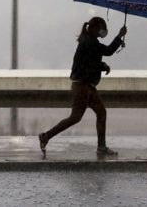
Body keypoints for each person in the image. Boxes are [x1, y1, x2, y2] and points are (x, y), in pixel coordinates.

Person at [38, 16, 127, 157]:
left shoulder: (90, 42)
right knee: (75, 117)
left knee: (100, 112)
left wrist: (102, 65)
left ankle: (101, 147)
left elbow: (93, 61)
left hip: (88, 86)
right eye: (101, 28)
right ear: (93, 28)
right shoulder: (89, 42)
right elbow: (106, 52)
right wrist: (119, 36)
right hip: (82, 87)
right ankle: (46, 136)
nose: (103, 31)